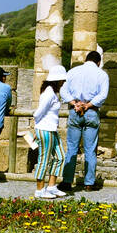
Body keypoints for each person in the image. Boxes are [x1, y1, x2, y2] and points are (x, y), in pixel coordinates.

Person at [58, 50, 110, 193]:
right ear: (98, 62)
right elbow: (103, 95)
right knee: (90, 150)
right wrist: (88, 105)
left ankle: (67, 181)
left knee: (72, 148)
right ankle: (89, 183)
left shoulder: (72, 72)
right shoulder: (102, 74)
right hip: (91, 112)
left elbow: (63, 90)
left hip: (75, 111)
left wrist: (74, 102)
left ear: (85, 59)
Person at [33, 65, 68, 198]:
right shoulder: (48, 93)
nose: (64, 82)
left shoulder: (51, 92)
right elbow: (38, 113)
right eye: (62, 80)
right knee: (44, 159)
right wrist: (37, 127)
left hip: (51, 130)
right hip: (45, 129)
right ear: (58, 80)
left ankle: (52, 186)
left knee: (60, 157)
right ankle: (39, 190)